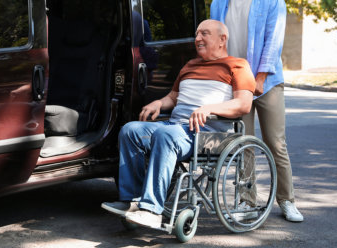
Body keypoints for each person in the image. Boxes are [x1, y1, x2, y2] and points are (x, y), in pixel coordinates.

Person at [101, 19, 256, 229]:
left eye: (205, 34)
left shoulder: (237, 65)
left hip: (208, 134)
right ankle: (132, 200)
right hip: (177, 127)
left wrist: (209, 108)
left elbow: (243, 104)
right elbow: (173, 98)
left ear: (222, 39)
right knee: (130, 130)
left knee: (166, 136)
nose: (198, 38)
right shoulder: (190, 65)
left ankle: (152, 210)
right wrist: (158, 102)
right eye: (197, 34)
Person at [210, 0, 303, 222]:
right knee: (243, 143)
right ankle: (247, 201)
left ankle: (287, 201)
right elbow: (216, 44)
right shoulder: (219, 2)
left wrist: (259, 79)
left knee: (276, 143)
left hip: (267, 82)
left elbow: (274, 42)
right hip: (236, 84)